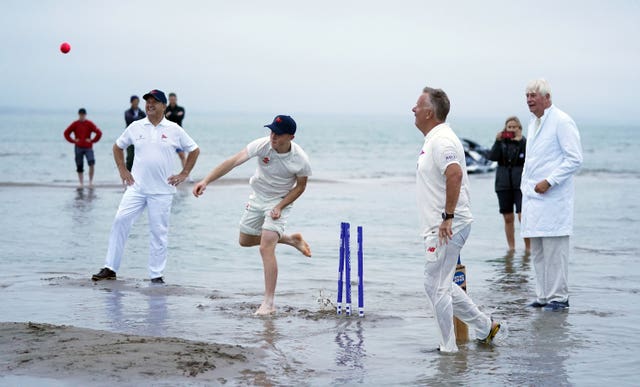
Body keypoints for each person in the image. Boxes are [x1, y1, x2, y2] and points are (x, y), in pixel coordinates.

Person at [193, 115, 312, 315]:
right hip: (258, 197)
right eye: (272, 131)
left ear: (291, 137)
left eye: (279, 134)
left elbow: (300, 188)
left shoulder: (300, 159)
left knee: (266, 247)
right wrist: (206, 181)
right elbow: (233, 162)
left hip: (280, 200)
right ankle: (291, 240)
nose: (273, 136)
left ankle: (269, 303)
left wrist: (280, 206)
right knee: (245, 240)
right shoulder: (262, 145)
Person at [412, 86, 500, 353]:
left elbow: (454, 174)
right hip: (443, 224)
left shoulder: (443, 141)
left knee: (435, 287)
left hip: (450, 225)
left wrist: (447, 218)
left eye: (417, 106)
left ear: (430, 112)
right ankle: (485, 327)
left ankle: (447, 349)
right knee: (442, 284)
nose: (413, 110)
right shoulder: (434, 139)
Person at [92, 89, 200, 284]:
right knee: (119, 221)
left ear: (164, 106)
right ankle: (110, 268)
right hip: (137, 188)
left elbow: (194, 150)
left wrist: (184, 173)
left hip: (162, 191)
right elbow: (117, 147)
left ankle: (156, 275)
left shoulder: (174, 129)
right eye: (147, 101)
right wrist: (123, 170)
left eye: (154, 101)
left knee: (159, 232)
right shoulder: (136, 126)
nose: (149, 104)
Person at [521, 79, 583, 311]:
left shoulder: (562, 121)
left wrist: (550, 181)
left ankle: (559, 298)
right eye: (527, 95)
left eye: (533, 95)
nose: (529, 99)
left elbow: (575, 159)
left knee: (555, 251)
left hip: (553, 198)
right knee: (537, 250)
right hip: (533, 199)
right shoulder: (533, 123)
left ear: (547, 97)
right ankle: (543, 296)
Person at [488, 116, 530, 253]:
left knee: (522, 216)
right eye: (509, 127)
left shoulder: (524, 142)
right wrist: (497, 141)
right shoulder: (501, 142)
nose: (511, 129)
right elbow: (493, 157)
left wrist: (521, 141)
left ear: (520, 129)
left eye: (514, 127)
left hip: (520, 184)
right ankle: (511, 248)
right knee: (508, 217)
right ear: (505, 129)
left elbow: (531, 159)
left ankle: (528, 248)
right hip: (503, 183)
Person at [63, 108, 102, 187]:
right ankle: (81, 183)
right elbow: (66, 133)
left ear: (85, 115)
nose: (82, 116)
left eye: (83, 115)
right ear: (79, 115)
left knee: (91, 163)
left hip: (88, 147)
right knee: (79, 165)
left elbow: (99, 133)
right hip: (78, 147)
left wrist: (92, 140)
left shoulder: (89, 123)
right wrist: (73, 141)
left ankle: (90, 182)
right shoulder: (75, 124)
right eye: (80, 115)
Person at [164, 92, 188, 171]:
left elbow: (179, 119)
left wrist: (171, 115)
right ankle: (167, 173)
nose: (172, 101)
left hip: (178, 135)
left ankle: (186, 174)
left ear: (176, 99)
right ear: (169, 100)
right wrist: (176, 115)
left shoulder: (181, 109)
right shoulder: (165, 109)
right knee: (167, 156)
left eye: (174, 99)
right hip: (168, 135)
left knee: (182, 155)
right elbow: (165, 120)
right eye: (171, 99)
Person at [124, 95, 147, 171]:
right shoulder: (127, 112)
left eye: (137, 101)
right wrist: (138, 120)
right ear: (131, 102)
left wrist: (136, 119)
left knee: (140, 157)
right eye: (134, 101)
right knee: (130, 157)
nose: (136, 103)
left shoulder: (142, 112)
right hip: (130, 137)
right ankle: (128, 175)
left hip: (140, 137)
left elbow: (145, 122)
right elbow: (129, 120)